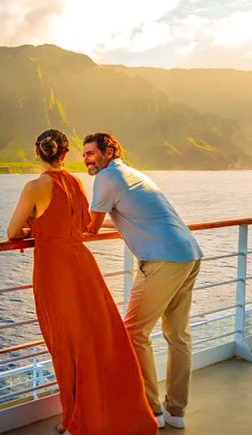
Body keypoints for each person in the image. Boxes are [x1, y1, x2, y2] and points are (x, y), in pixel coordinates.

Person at [7, 129, 157, 435]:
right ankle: (98, 413)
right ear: (65, 154)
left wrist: (34, 229)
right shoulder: (75, 182)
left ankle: (75, 420)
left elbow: (12, 231)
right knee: (93, 342)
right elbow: (81, 225)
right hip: (82, 267)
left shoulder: (35, 187)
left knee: (65, 347)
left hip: (55, 272)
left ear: (37, 152)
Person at [83, 132, 203, 429]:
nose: (86, 158)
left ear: (108, 151)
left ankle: (152, 410)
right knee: (178, 336)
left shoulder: (106, 178)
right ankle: (177, 412)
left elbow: (90, 228)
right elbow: (130, 216)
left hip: (162, 260)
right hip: (188, 253)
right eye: (83, 153)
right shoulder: (130, 173)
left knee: (134, 332)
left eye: (91, 153)